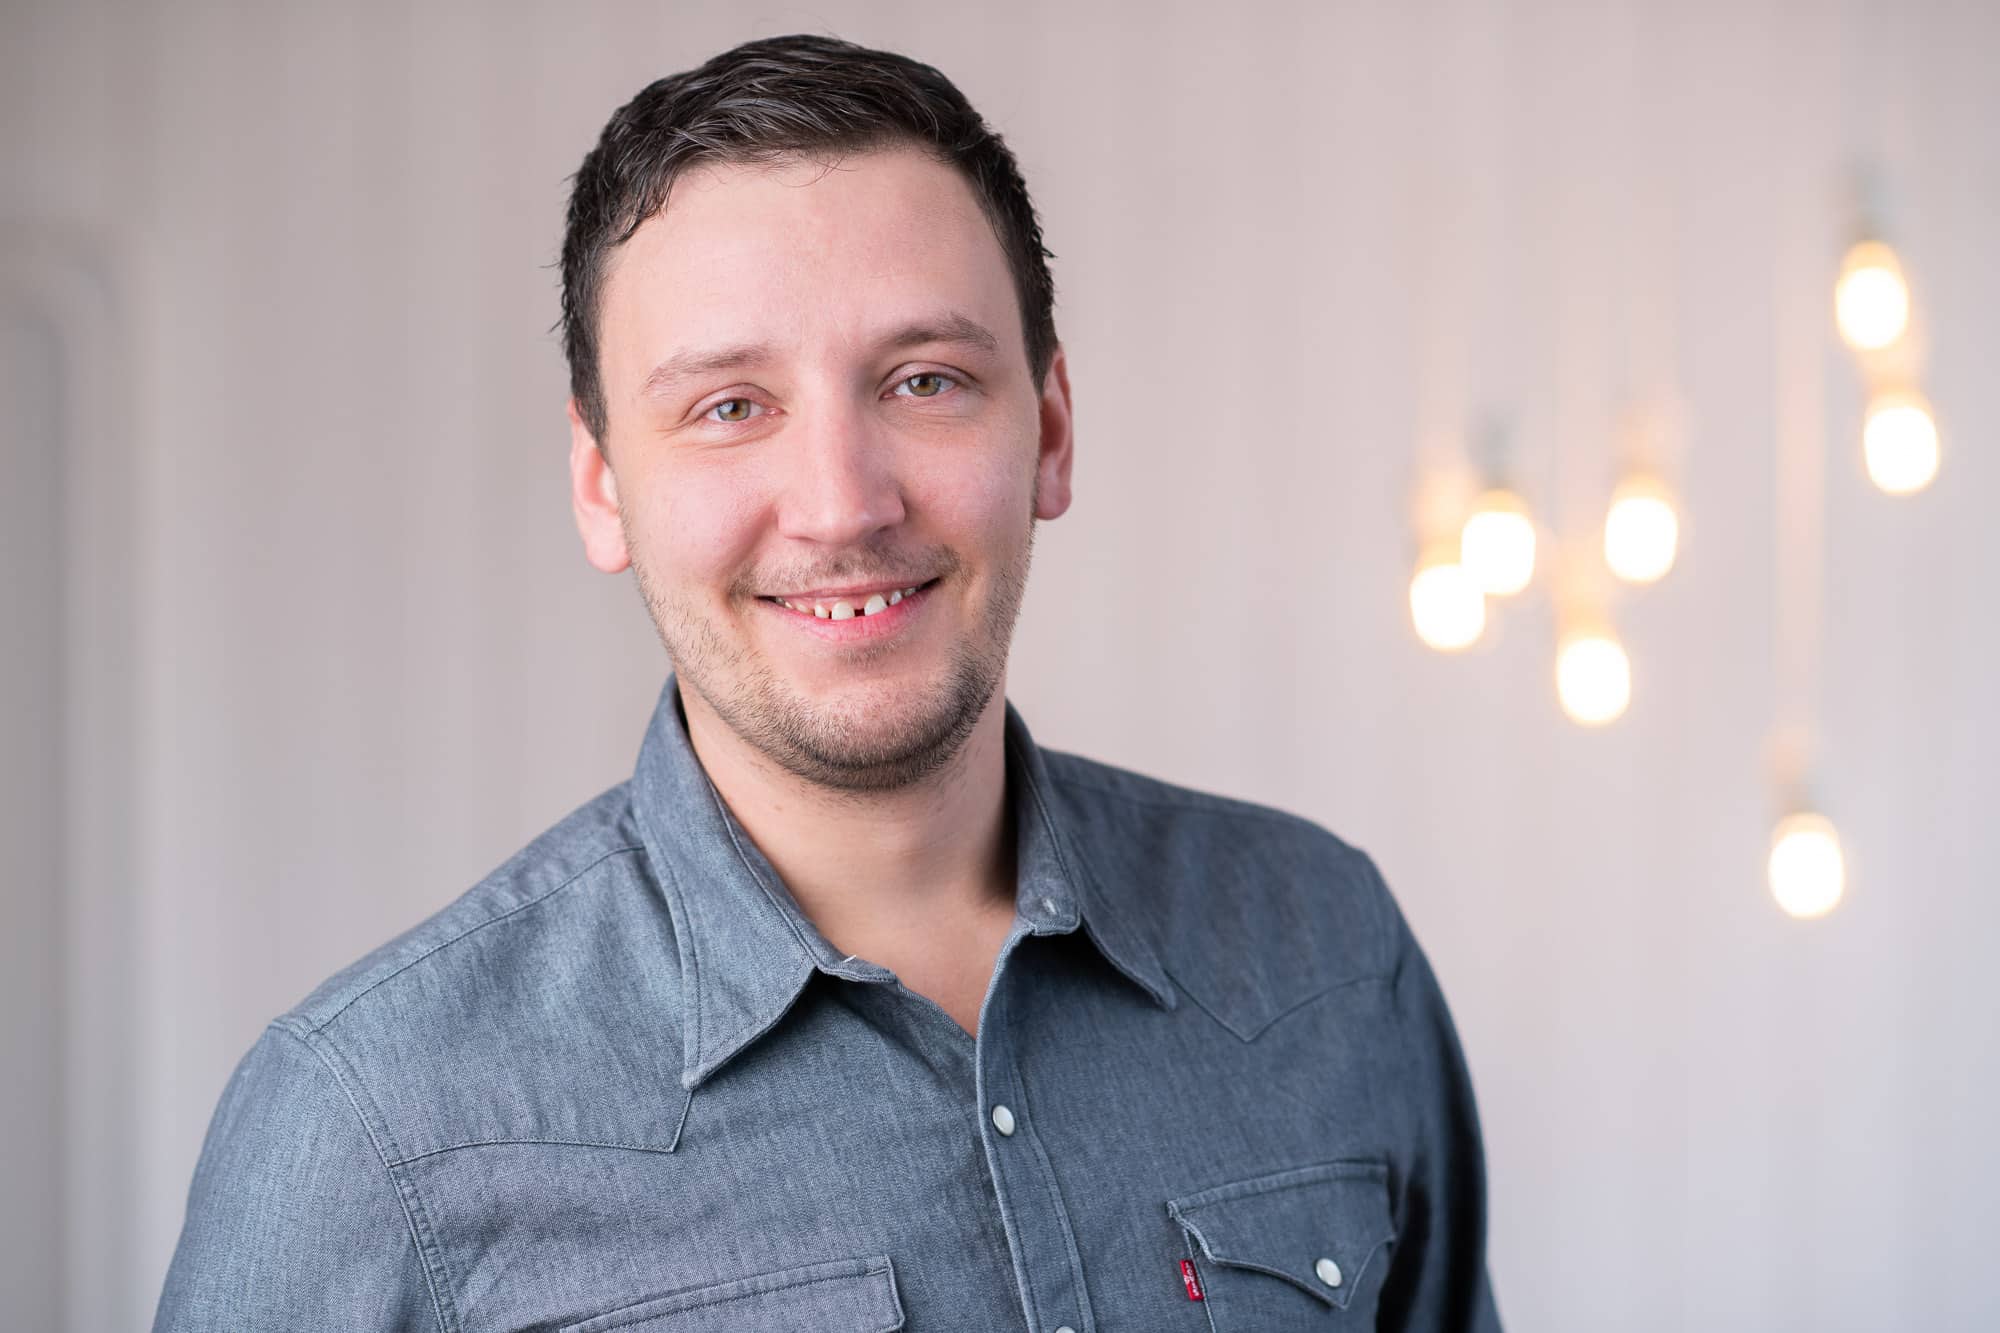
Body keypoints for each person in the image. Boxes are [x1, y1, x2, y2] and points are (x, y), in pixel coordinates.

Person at [154, 32, 1503, 1332]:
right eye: (730, 406)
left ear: (1050, 429)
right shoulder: (371, 1127)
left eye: (925, 381)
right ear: (601, 484)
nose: (844, 503)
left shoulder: (1329, 948)